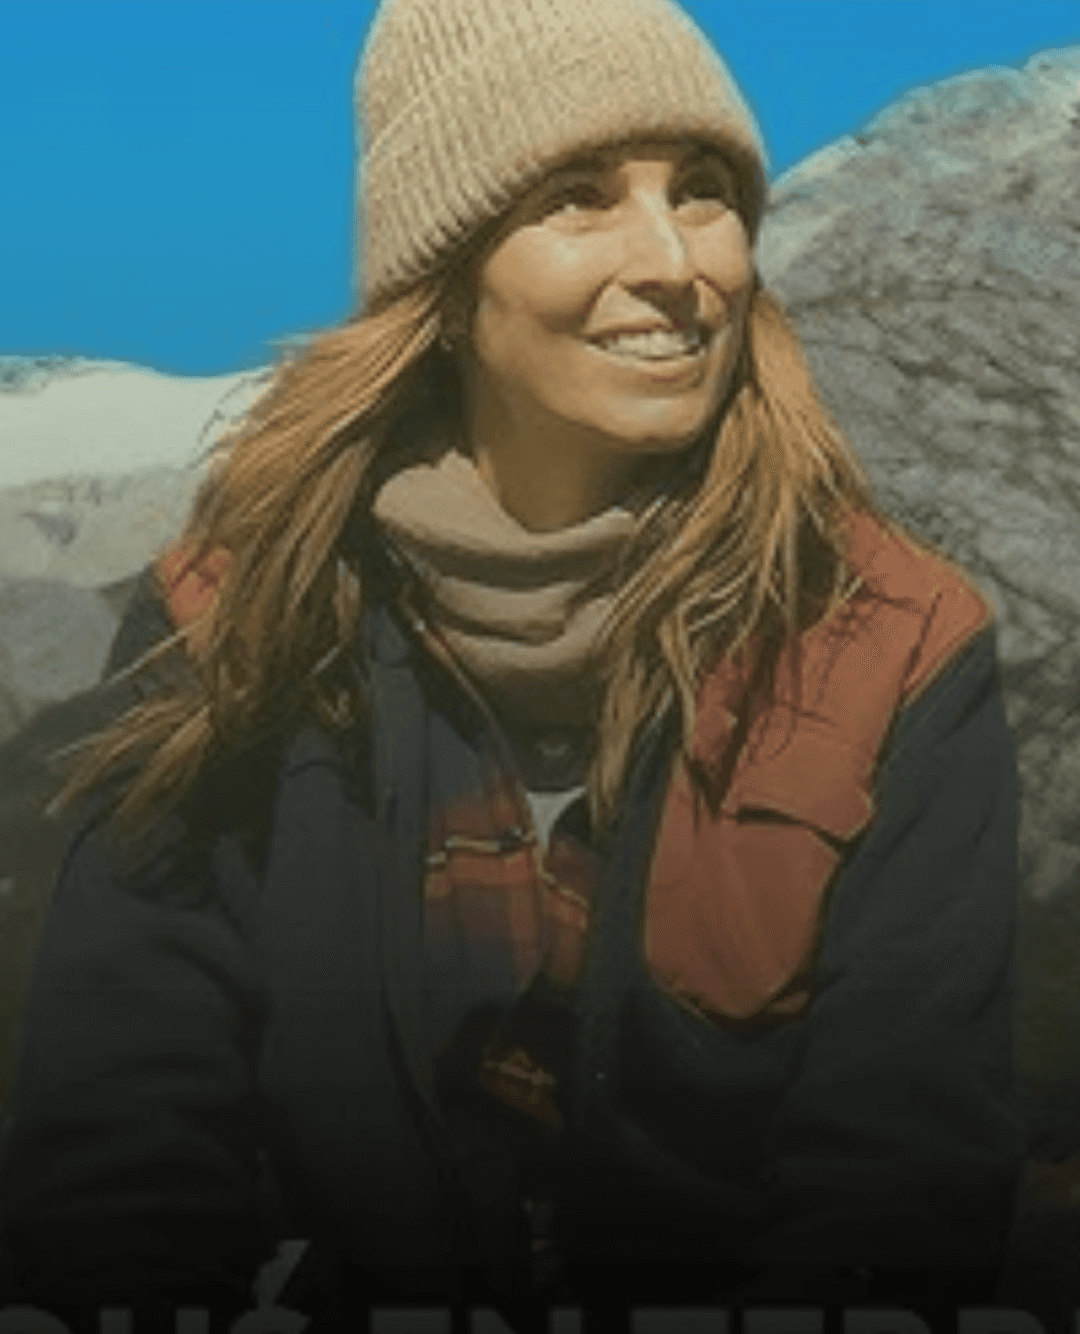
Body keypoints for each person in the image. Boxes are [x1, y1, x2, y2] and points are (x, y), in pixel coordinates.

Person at [0, 0, 1025, 1330]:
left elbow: (900, 1189)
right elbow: (118, 1152)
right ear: (446, 281)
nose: (675, 261)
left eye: (703, 190)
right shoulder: (234, 623)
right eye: (577, 196)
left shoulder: (894, 642)